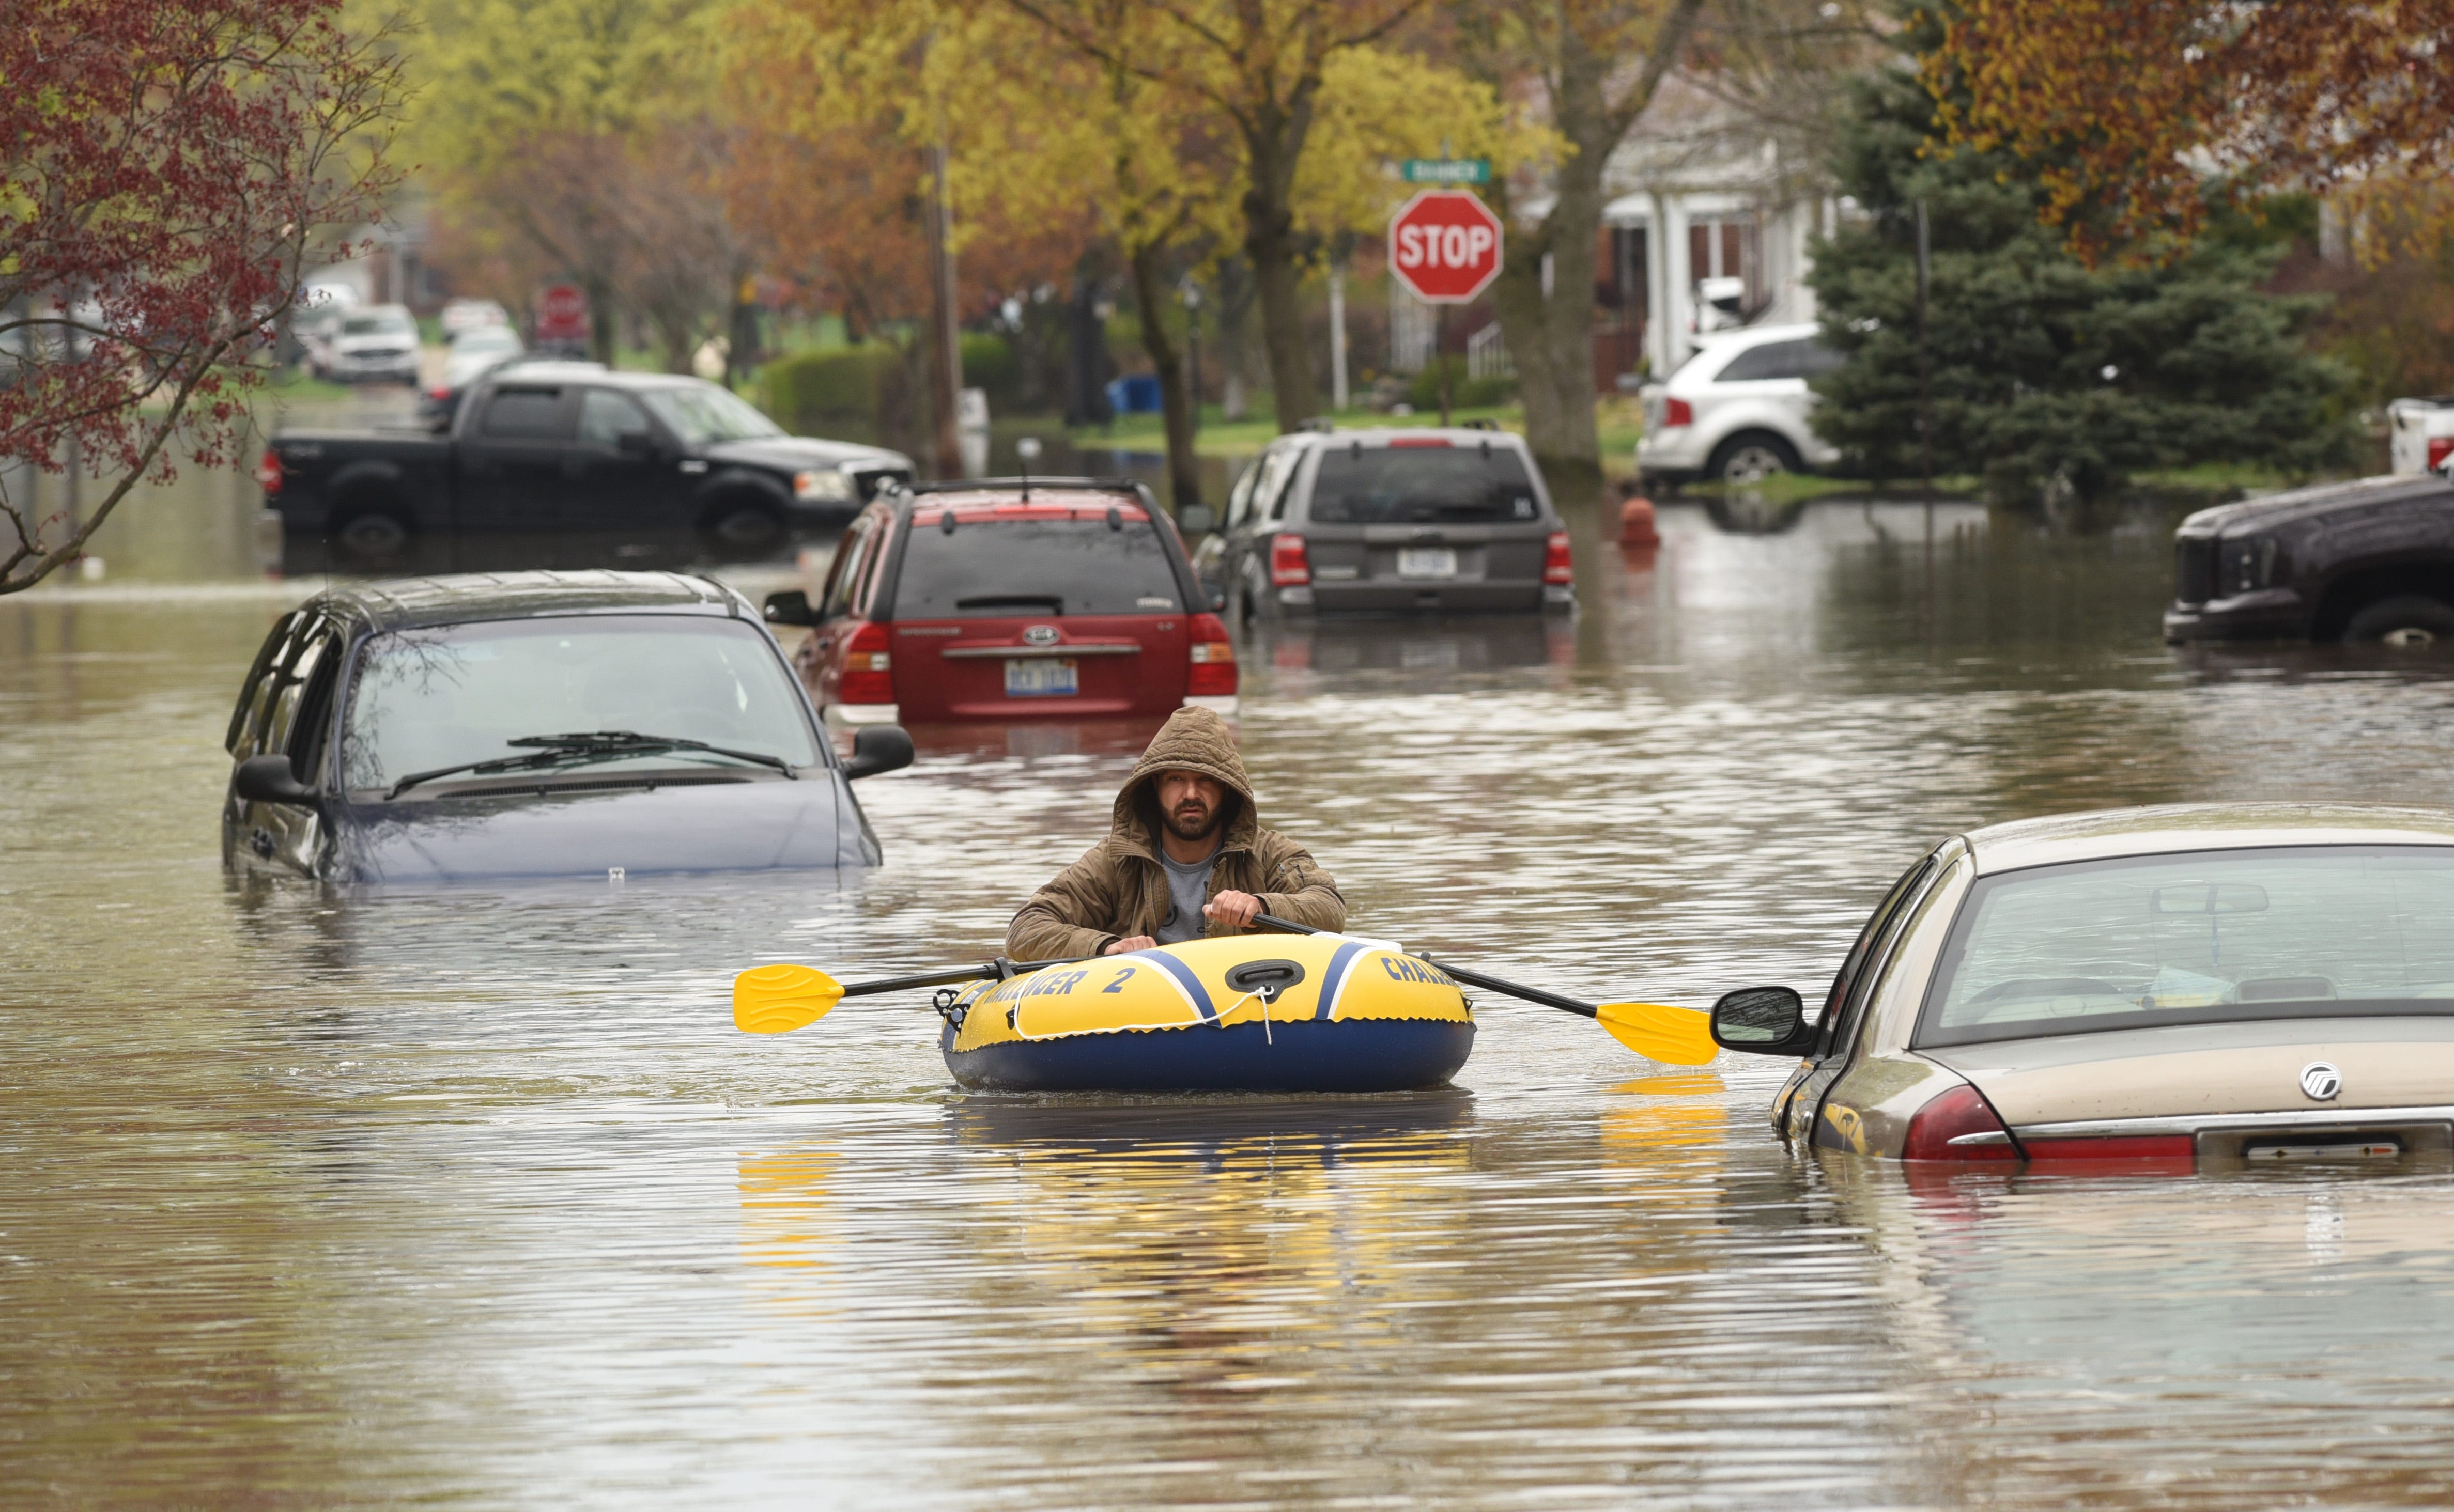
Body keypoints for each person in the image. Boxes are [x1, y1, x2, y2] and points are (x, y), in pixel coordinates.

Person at [1007, 705, 1346, 959]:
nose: (1190, 795)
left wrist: (1262, 906)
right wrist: (1109, 947)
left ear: (1227, 789)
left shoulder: (1271, 853)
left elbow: (1329, 908)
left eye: (1205, 780)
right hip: (1145, 1015)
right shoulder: (1114, 860)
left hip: (1248, 1008)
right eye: (1176, 779)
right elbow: (1026, 929)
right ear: (1154, 785)